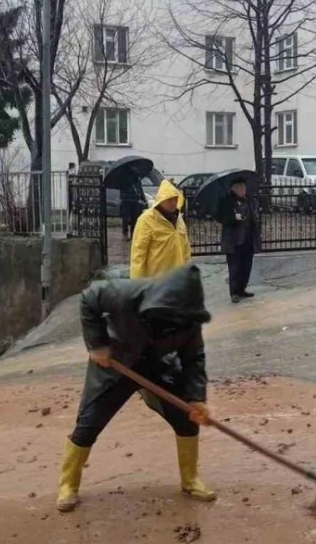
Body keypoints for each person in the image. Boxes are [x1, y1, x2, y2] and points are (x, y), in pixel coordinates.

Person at [56, 265, 215, 512]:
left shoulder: (189, 322)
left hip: (156, 367)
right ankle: (68, 486)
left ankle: (190, 480)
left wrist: (196, 398)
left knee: (186, 420)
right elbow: (88, 298)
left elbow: (194, 360)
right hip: (116, 364)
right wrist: (97, 345)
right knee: (89, 423)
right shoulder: (127, 292)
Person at [130, 180, 190, 279]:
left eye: (175, 199)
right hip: (156, 283)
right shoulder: (146, 220)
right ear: (161, 200)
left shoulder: (179, 219)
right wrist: (138, 287)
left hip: (178, 281)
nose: (173, 203)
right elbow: (138, 256)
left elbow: (186, 250)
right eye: (169, 199)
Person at [218, 178, 259, 304]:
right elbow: (223, 218)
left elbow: (254, 216)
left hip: (248, 237)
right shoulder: (227, 201)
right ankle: (234, 292)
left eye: (244, 187)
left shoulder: (249, 200)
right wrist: (234, 217)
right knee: (235, 267)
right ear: (234, 189)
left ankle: (242, 289)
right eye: (240, 187)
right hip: (234, 240)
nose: (243, 189)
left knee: (246, 265)